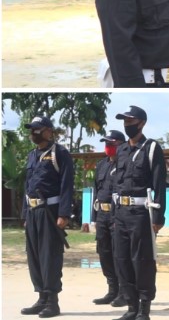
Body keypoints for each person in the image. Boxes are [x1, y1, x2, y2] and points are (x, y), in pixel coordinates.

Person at [113, 105, 167, 320]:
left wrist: (159, 218)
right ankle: (131, 307)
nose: (127, 125)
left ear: (141, 123)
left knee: (142, 260)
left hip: (141, 213)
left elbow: (159, 184)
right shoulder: (122, 150)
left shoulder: (151, 148)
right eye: (124, 121)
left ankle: (144, 309)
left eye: (131, 121)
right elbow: (117, 182)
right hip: (122, 212)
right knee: (122, 259)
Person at [21, 116, 74, 318]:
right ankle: (41, 297)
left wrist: (64, 213)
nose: (33, 133)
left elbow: (67, 184)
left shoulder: (59, 153)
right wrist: (26, 213)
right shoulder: (32, 155)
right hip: (33, 213)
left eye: (37, 129)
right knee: (34, 256)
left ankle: (53, 302)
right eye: (31, 129)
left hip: (50, 212)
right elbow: (28, 186)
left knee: (49, 256)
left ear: (49, 131)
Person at [92, 129, 127, 307]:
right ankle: (112, 290)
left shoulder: (125, 165)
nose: (108, 147)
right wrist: (93, 218)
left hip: (117, 215)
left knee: (118, 254)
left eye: (111, 144)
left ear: (121, 145)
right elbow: (95, 191)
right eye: (106, 144)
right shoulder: (101, 165)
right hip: (102, 215)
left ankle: (123, 291)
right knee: (104, 253)